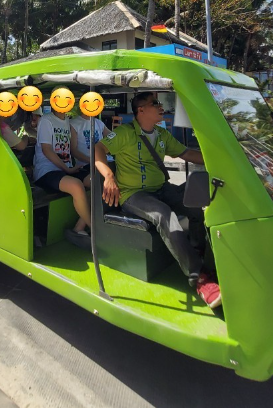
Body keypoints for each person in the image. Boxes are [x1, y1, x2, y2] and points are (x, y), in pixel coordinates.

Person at [94, 91, 221, 309]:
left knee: (194, 204)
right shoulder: (124, 133)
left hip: (161, 188)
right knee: (164, 215)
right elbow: (98, 149)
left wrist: (222, 161)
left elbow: (187, 154)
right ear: (141, 110)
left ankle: (196, 252)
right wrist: (108, 175)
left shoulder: (162, 135)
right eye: (155, 103)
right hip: (134, 195)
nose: (161, 106)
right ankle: (199, 277)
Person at [33, 101, 91, 249]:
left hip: (65, 169)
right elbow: (47, 150)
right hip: (46, 171)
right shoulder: (47, 120)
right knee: (77, 186)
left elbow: (71, 148)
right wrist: (67, 168)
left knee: (95, 181)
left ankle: (79, 227)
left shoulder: (67, 121)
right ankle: (97, 229)